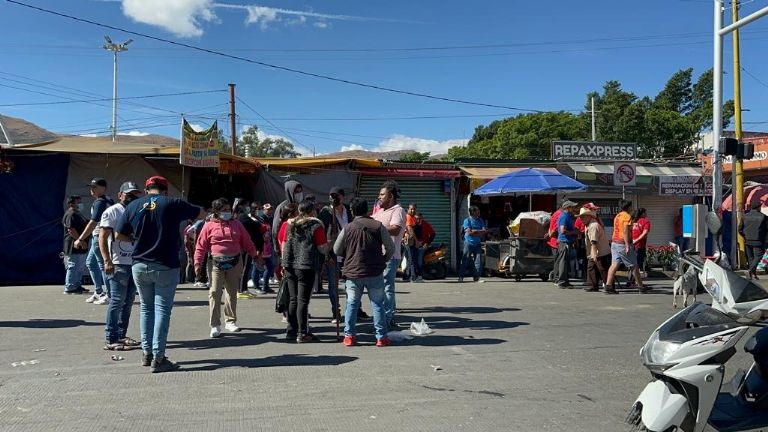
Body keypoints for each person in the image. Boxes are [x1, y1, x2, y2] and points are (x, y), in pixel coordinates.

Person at [116, 176, 205, 373]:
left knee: (146, 309)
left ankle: (147, 353)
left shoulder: (133, 206)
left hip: (139, 264)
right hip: (166, 264)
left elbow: (119, 234)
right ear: (165, 190)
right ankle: (159, 356)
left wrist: (136, 238)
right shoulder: (173, 203)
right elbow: (201, 212)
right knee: (162, 310)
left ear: (147, 189)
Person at [333, 198, 396, 347]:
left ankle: (349, 336)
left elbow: (336, 249)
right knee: (377, 305)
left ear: (352, 211)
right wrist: (383, 259)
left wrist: (347, 254)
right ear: (367, 210)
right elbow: (391, 248)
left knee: (352, 304)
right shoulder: (378, 226)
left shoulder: (347, 228)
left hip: (353, 273)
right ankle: (381, 337)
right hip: (375, 272)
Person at [195, 198, 259, 338]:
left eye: (228, 210)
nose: (227, 212)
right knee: (214, 292)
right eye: (224, 210)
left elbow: (247, 241)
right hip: (216, 263)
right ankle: (215, 324)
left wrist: (255, 255)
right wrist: (197, 263)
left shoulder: (237, 224)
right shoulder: (208, 225)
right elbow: (201, 246)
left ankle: (230, 321)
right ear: (216, 211)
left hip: (235, 262)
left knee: (231, 292)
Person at [98, 181, 142, 351]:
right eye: (128, 194)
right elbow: (102, 237)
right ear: (120, 195)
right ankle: (111, 338)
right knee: (116, 300)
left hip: (134, 262)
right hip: (118, 262)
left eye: (134, 195)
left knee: (129, 301)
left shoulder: (136, 210)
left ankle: (121, 334)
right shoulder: (112, 211)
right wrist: (107, 261)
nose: (131, 197)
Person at [280, 200, 329, 342]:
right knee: (303, 300)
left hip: (289, 264)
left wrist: (284, 262)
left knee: (293, 299)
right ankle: (303, 332)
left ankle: (291, 330)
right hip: (306, 265)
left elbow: (283, 243)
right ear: (312, 211)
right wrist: (329, 248)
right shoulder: (315, 225)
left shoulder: (289, 224)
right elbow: (322, 247)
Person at [372, 180, 407, 330]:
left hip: (390, 256)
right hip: (376, 255)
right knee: (380, 287)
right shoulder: (380, 211)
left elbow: (396, 229)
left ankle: (387, 319)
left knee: (387, 287)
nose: (379, 197)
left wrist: (376, 228)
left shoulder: (398, 210)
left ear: (390, 196)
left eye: (382, 195)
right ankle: (385, 317)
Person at [74, 178, 114, 304]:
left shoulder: (100, 202)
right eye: (91, 187)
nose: (92, 189)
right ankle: (98, 291)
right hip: (101, 236)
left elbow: (93, 222)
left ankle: (109, 294)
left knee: (103, 265)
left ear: (103, 188)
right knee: (91, 263)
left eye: (95, 187)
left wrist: (80, 238)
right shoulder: (108, 200)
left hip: (100, 236)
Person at [318, 186, 353, 323]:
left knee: (352, 282)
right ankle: (335, 311)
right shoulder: (325, 213)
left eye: (336, 196)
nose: (333, 199)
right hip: (332, 252)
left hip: (349, 251)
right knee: (333, 284)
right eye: (331, 196)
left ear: (342, 198)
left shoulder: (349, 211)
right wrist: (326, 254)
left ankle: (354, 309)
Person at [605, 200, 647, 294]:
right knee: (633, 265)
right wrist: (628, 245)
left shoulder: (618, 216)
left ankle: (608, 286)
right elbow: (625, 231)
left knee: (614, 264)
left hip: (614, 243)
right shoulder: (626, 217)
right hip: (622, 243)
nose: (632, 209)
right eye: (631, 207)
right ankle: (641, 286)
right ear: (628, 207)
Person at [233, 198, 263, 299]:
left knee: (246, 268)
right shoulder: (242, 217)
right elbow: (256, 226)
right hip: (244, 247)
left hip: (247, 246)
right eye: (246, 205)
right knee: (244, 269)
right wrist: (257, 222)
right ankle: (240, 290)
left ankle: (244, 289)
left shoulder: (241, 217)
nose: (248, 207)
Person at [62, 195, 90, 294]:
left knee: (80, 266)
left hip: (82, 246)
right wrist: (80, 240)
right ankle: (69, 287)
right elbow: (71, 230)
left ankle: (77, 285)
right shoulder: (70, 214)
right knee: (73, 265)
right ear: (71, 204)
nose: (80, 204)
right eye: (78, 202)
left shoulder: (78, 214)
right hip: (72, 245)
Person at [579, 207, 611, 292]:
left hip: (601, 252)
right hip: (593, 251)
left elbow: (594, 242)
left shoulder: (593, 225)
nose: (582, 219)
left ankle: (609, 285)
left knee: (603, 269)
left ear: (590, 216)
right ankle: (592, 285)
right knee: (591, 268)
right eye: (581, 217)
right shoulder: (588, 225)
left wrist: (594, 255)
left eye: (584, 217)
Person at [272, 180, 304, 254]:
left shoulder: (301, 206)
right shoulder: (282, 207)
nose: (299, 194)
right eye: (296, 192)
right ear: (290, 192)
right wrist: (277, 249)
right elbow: (275, 229)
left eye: (300, 191)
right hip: (286, 246)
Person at [554, 201, 580, 289]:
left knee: (565, 262)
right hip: (564, 242)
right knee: (563, 262)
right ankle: (562, 281)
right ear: (568, 208)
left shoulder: (567, 216)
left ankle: (564, 281)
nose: (574, 209)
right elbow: (563, 231)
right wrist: (574, 232)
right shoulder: (564, 216)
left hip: (566, 242)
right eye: (572, 207)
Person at [459, 205, 487, 283]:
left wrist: (475, 231)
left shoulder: (480, 220)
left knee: (478, 260)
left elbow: (484, 231)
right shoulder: (467, 220)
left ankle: (476, 278)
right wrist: (478, 232)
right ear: (473, 212)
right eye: (477, 210)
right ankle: (461, 277)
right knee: (465, 260)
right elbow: (469, 232)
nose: (479, 212)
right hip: (468, 243)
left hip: (477, 243)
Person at [742, 201, 768, 280]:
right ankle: (750, 270)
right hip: (758, 240)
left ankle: (752, 274)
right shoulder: (763, 217)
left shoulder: (745, 216)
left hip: (747, 240)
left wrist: (745, 236)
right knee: (758, 256)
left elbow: (740, 228)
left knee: (751, 258)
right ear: (758, 207)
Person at [412, 212, 436, 280]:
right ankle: (411, 276)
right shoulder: (412, 224)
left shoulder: (425, 224)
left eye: (419, 219)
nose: (418, 220)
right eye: (416, 218)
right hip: (413, 245)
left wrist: (427, 243)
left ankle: (419, 276)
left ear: (422, 218)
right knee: (412, 261)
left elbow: (433, 234)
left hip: (421, 246)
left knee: (419, 261)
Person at [631, 208, 651, 280]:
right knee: (637, 264)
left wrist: (632, 240)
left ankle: (632, 281)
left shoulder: (633, 221)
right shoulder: (645, 221)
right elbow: (645, 233)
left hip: (630, 245)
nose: (646, 214)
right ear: (642, 213)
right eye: (645, 213)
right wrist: (636, 240)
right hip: (639, 245)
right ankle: (632, 281)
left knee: (631, 263)